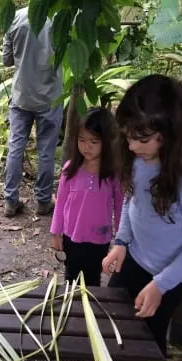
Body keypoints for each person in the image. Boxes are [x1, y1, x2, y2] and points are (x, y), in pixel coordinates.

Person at [102, 74, 182, 361]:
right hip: (134, 258)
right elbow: (131, 202)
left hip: (169, 275)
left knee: (148, 338)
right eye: (128, 136)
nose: (132, 145)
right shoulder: (138, 159)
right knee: (108, 320)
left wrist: (161, 285)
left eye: (142, 138)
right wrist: (121, 241)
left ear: (169, 132)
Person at [2, 0, 64, 218]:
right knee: (46, 150)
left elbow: (6, 60)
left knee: (16, 145)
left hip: (21, 97)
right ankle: (42, 201)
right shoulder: (62, 21)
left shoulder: (15, 19)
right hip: (50, 98)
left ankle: (10, 201)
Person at [50, 107, 122, 286]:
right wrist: (56, 233)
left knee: (92, 280)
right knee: (71, 277)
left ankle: (87, 313)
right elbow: (60, 204)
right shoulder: (70, 169)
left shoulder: (112, 174)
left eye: (93, 142)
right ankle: (70, 311)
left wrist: (121, 240)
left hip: (99, 239)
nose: (86, 147)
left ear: (107, 142)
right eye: (82, 140)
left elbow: (120, 207)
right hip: (71, 236)